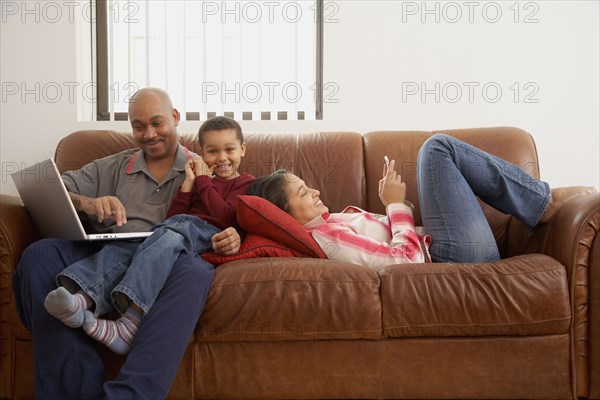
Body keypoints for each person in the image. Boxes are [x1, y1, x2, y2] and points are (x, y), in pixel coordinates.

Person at [12, 88, 243, 399]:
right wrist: (88, 203)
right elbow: (49, 188)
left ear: (175, 118)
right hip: (106, 251)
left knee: (194, 272)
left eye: (158, 123)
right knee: (39, 255)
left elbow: (239, 209)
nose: (149, 134)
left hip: (170, 259)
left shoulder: (204, 168)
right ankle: (72, 391)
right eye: (139, 126)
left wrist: (236, 233)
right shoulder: (114, 166)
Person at [43, 115, 254, 355]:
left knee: (172, 235)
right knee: (128, 246)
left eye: (230, 150)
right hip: (177, 228)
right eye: (213, 151)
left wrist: (204, 181)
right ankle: (81, 299)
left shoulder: (247, 184)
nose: (223, 158)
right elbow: (173, 216)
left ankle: (130, 324)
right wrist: (189, 184)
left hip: (208, 235)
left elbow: (225, 215)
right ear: (202, 155)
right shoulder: (198, 181)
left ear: (243, 149)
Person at [248, 134, 596, 266]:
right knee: (437, 148)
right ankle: (542, 201)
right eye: (304, 193)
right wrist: (395, 206)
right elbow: (405, 263)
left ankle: (538, 200)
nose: (317, 192)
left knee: (439, 150)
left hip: (455, 249)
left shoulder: (331, 224)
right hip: (452, 259)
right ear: (285, 214)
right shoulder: (328, 239)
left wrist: (395, 206)